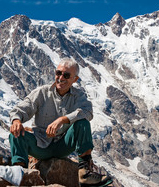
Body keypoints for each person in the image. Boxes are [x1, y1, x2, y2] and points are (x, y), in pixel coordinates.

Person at [9, 58, 111, 186]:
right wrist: (16, 120)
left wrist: (63, 119)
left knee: (83, 123)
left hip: (62, 146)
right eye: (58, 73)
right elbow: (22, 108)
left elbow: (88, 112)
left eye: (66, 75)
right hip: (40, 145)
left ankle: (85, 174)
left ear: (75, 79)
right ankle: (20, 174)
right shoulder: (42, 92)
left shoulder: (78, 96)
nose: (61, 78)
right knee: (16, 133)